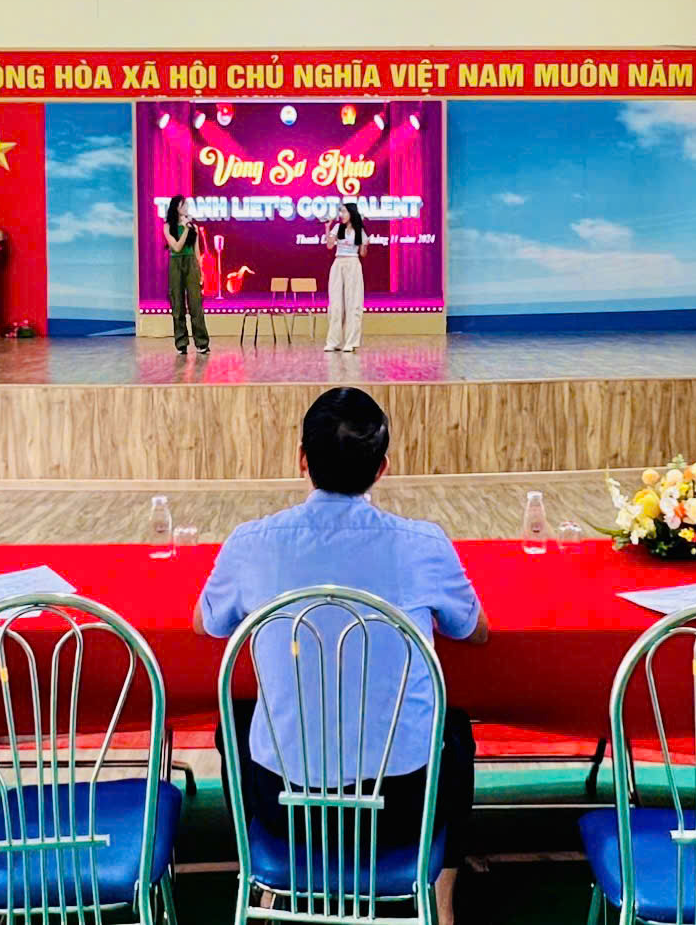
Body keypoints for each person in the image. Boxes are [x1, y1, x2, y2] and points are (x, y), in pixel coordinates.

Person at [198, 387, 488, 925]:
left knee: (234, 721)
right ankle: (441, 900)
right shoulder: (423, 543)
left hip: (287, 809)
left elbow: (207, 624)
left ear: (301, 459)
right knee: (455, 729)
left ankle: (260, 880)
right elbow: (474, 631)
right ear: (382, 468)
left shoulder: (251, 542)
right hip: (400, 808)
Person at [163, 195, 209, 355]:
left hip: (191, 263)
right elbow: (176, 247)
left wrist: (200, 270)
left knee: (196, 304)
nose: (186, 208)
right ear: (176, 207)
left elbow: (196, 251)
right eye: (183, 205)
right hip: (176, 263)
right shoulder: (168, 226)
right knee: (177, 304)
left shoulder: (193, 227)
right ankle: (181, 343)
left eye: (187, 205)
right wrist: (185, 230)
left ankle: (202, 343)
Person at [321, 202, 369, 352]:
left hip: (353, 264)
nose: (342, 215)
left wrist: (365, 244)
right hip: (338, 263)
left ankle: (351, 342)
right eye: (341, 212)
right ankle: (333, 342)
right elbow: (329, 246)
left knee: (353, 303)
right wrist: (327, 228)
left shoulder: (359, 231)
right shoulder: (338, 228)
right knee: (335, 304)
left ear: (351, 213)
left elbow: (363, 254)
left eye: (345, 212)